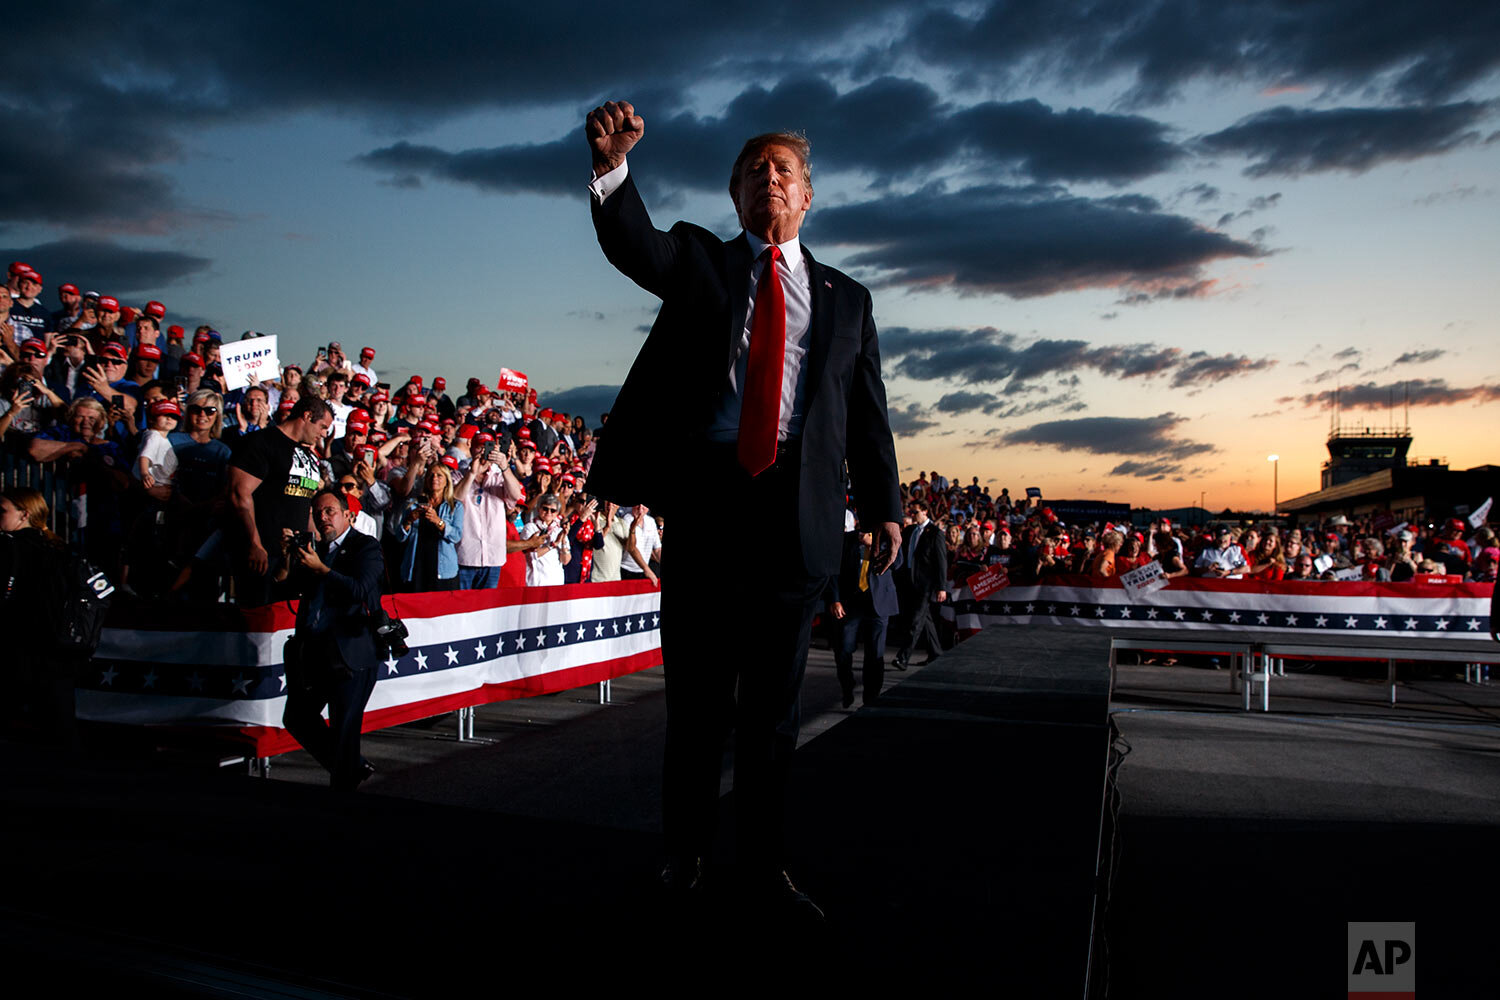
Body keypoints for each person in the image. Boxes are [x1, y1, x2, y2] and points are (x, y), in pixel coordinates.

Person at [584, 100, 901, 917]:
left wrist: (884, 506)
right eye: (754, 170)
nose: (769, 179)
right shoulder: (703, 264)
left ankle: (763, 867)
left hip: (797, 515)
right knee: (696, 704)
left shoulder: (849, 299)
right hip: (711, 501)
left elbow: (866, 415)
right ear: (735, 196)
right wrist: (614, 169)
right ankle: (682, 857)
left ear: (806, 197)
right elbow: (637, 248)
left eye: (783, 170)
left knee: (772, 715)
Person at [274, 487, 383, 792]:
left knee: (345, 728)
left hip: (352, 652)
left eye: (330, 511)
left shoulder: (366, 547)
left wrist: (323, 570)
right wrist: (285, 559)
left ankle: (344, 789)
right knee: (296, 717)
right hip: (314, 652)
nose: (323, 518)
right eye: (317, 512)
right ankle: (353, 766)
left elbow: (361, 589)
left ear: (348, 515)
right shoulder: (313, 549)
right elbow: (284, 589)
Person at [226, 396, 333, 607]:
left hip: (297, 557)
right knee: (258, 620)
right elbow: (239, 494)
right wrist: (254, 543)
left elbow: (305, 501)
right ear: (307, 416)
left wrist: (318, 542)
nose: (324, 434)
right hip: (263, 554)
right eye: (322, 427)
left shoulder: (307, 453)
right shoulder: (261, 442)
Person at [827, 525, 903, 708]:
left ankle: (870, 699)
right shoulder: (847, 538)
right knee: (843, 649)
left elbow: (899, 562)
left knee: (875, 654)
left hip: (879, 603)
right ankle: (847, 686)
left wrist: (874, 547)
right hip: (851, 603)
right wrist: (835, 599)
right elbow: (834, 570)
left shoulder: (888, 535)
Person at [894, 499, 947, 670]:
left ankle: (903, 657)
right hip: (910, 582)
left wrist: (941, 587)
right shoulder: (910, 531)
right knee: (926, 620)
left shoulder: (935, 533)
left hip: (926, 584)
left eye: (915, 512)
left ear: (925, 511)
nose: (913, 515)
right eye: (911, 512)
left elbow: (941, 562)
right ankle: (936, 653)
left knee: (916, 621)